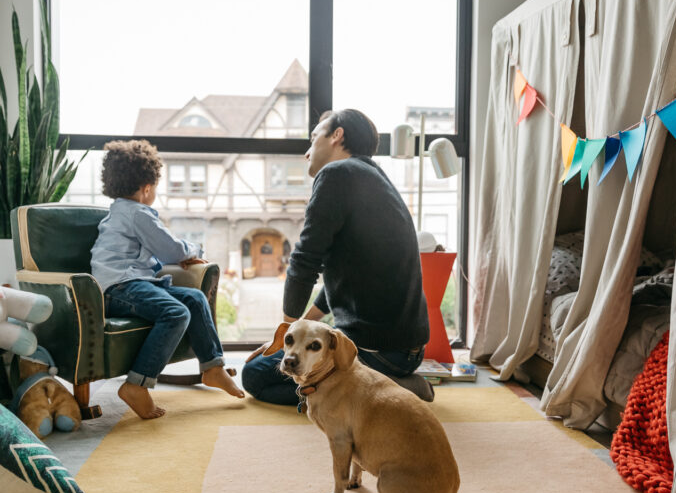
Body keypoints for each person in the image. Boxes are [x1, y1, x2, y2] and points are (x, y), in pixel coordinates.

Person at [242, 108, 432, 405]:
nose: (307, 152)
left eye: (314, 137)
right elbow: (343, 282)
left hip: (377, 352)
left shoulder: (336, 174)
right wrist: (298, 330)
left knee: (254, 375)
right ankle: (383, 384)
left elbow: (304, 261)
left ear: (337, 135)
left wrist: (287, 342)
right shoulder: (373, 177)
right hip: (406, 350)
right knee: (285, 366)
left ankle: (386, 388)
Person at [91, 139, 244, 419]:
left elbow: (153, 254)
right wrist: (193, 251)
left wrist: (172, 256)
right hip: (120, 287)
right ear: (147, 188)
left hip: (130, 284)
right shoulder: (137, 214)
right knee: (175, 312)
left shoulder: (121, 212)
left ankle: (212, 368)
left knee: (196, 298)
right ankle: (136, 384)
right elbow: (170, 248)